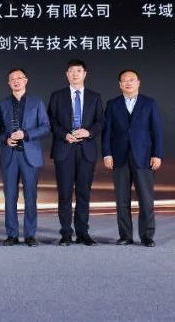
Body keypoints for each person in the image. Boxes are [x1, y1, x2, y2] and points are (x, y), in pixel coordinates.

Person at [102, 69, 164, 248]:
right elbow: (107, 132)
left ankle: (147, 236)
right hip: (118, 157)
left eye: (132, 80)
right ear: (120, 85)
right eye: (124, 80)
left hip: (144, 156)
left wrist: (157, 154)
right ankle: (125, 236)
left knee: (146, 199)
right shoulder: (112, 104)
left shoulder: (149, 103)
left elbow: (157, 131)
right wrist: (107, 153)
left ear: (138, 82)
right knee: (122, 199)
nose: (128, 83)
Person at [47, 60, 105, 246]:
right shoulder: (57, 96)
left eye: (78, 71)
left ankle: (83, 232)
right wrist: (64, 134)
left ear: (85, 74)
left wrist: (89, 132)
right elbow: (51, 121)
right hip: (64, 148)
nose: (75, 74)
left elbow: (100, 121)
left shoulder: (95, 97)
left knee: (83, 193)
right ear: (67, 74)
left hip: (86, 150)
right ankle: (65, 233)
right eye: (71, 71)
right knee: (64, 193)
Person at [0, 68, 49, 247]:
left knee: (30, 196)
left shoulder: (36, 102)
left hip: (30, 156)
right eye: (12, 79)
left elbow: (45, 127)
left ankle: (30, 235)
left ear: (26, 80)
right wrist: (5, 139)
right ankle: (11, 234)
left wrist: (26, 134)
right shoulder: (2, 104)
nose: (16, 81)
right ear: (8, 83)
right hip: (10, 155)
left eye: (19, 78)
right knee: (10, 197)